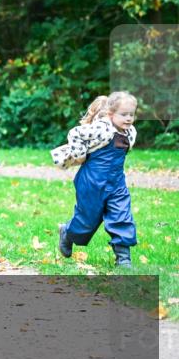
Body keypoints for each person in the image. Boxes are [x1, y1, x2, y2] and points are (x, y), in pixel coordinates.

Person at [54, 92, 138, 267]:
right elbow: (75, 133)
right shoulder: (101, 128)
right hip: (91, 182)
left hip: (116, 184)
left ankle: (123, 258)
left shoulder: (130, 132)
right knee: (88, 220)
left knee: (122, 215)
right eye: (124, 114)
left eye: (132, 114)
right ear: (111, 114)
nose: (129, 118)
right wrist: (80, 155)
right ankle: (67, 233)